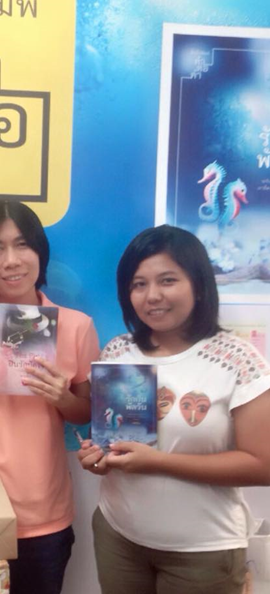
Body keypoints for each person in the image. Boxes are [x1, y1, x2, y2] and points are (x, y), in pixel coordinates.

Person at [78, 225, 270, 594]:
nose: (152, 296)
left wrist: (158, 462)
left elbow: (262, 465)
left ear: (198, 285)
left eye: (167, 280)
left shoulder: (238, 359)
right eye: (139, 284)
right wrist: (97, 457)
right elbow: (109, 440)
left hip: (203, 550)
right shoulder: (118, 351)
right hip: (118, 536)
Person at [0, 201, 100, 594]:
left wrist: (61, 397)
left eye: (22, 244)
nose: (11, 260)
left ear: (40, 252)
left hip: (42, 510)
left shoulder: (77, 326)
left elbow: (85, 413)